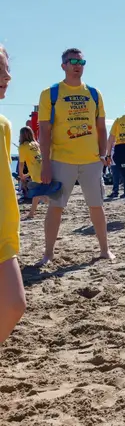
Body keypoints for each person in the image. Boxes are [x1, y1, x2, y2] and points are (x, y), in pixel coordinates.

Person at [38, 48, 114, 267]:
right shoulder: (50, 93)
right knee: (56, 206)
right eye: (72, 61)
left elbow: (101, 128)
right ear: (63, 65)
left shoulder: (93, 93)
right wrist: (45, 164)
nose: (77, 65)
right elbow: (44, 131)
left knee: (96, 205)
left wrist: (103, 155)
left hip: (91, 161)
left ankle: (104, 250)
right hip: (61, 159)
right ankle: (48, 253)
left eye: (81, 62)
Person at [0, 45, 27, 343]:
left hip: (3, 230)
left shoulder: (5, 125)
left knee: (14, 304)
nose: (7, 75)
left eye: (7, 68)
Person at [18, 126, 47, 219]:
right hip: (44, 169)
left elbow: (21, 163)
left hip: (36, 172)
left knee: (38, 193)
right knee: (37, 193)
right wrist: (26, 175)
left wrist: (21, 174)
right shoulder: (36, 144)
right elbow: (36, 160)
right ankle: (31, 213)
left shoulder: (22, 147)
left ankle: (56, 206)